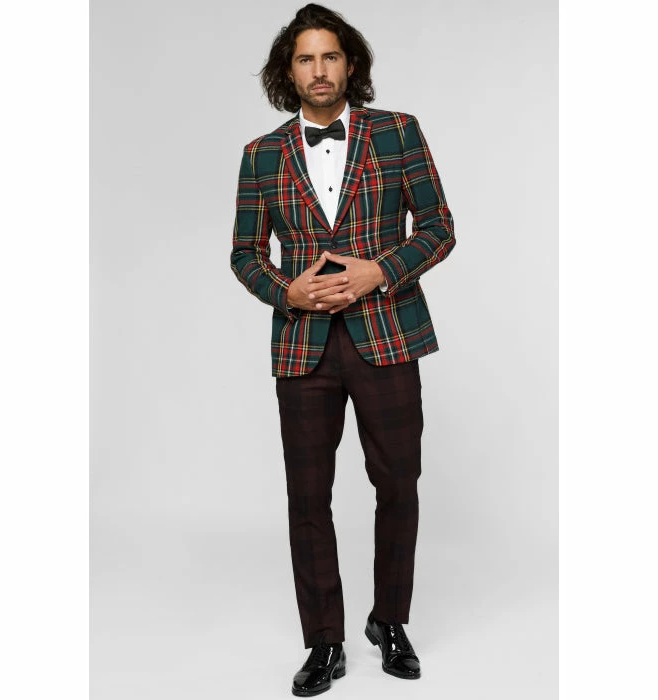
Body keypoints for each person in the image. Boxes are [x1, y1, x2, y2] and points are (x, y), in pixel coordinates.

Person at [230, 3, 456, 695]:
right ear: (289, 72)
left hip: (388, 334)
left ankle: (390, 620)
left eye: (330, 56)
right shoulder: (261, 155)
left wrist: (378, 271)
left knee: (398, 482)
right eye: (305, 59)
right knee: (308, 494)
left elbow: (439, 226)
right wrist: (287, 291)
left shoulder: (398, 132)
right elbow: (244, 254)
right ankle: (324, 640)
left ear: (350, 64)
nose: (319, 70)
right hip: (303, 347)